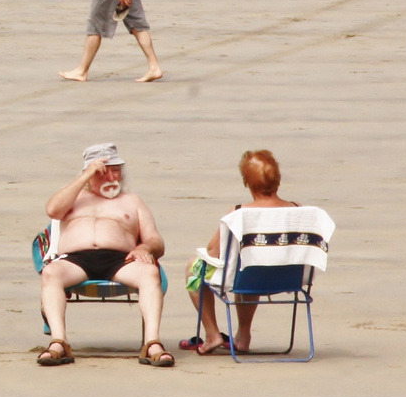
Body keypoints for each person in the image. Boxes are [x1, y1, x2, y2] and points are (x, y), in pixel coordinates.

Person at [36, 144, 173, 367]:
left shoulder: (132, 201)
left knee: (149, 273)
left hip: (120, 259)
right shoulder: (74, 197)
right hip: (76, 259)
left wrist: (144, 248)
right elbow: (53, 210)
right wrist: (87, 175)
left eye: (116, 170)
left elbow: (156, 241)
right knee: (51, 272)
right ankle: (58, 343)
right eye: (103, 171)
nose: (111, 176)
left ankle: (152, 343)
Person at [181, 150, 301, 355]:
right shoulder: (299, 210)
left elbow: (213, 251)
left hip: (249, 279)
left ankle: (212, 335)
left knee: (194, 268)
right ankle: (243, 335)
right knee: (251, 263)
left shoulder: (239, 213)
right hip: (289, 278)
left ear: (248, 183)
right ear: (278, 180)